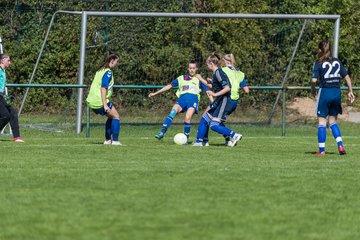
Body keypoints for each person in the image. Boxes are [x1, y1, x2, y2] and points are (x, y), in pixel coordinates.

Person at [148, 60, 212, 140]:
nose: (192, 70)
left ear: (196, 69)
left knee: (187, 118)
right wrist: (155, 93)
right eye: (190, 68)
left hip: (193, 100)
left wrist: (213, 102)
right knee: (173, 112)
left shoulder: (199, 80)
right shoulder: (181, 78)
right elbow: (169, 86)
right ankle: (162, 132)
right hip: (182, 100)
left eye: (193, 68)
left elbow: (208, 91)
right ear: (188, 69)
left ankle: (185, 138)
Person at [311, 39, 355, 155]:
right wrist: (351, 91)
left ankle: (321, 151)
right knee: (333, 122)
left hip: (325, 92)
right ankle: (340, 146)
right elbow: (347, 77)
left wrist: (312, 89)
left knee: (321, 121)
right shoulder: (337, 61)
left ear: (320, 50)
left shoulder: (318, 63)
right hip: (336, 93)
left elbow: (314, 80)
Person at [193, 52, 242, 147]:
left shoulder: (219, 72)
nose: (207, 66)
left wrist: (214, 93)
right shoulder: (216, 73)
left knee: (214, 125)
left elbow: (227, 88)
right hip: (220, 100)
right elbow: (218, 85)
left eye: (207, 64)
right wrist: (212, 82)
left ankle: (234, 135)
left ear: (211, 64)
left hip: (224, 100)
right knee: (204, 119)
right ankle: (200, 142)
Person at [86, 51, 122, 145]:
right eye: (117, 61)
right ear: (112, 60)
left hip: (92, 101)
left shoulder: (100, 70)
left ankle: (107, 140)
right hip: (100, 102)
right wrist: (105, 105)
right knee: (116, 117)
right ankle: (115, 141)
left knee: (111, 117)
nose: (117, 64)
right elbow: (103, 88)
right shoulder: (108, 72)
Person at [0, 53, 24, 142]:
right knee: (5, 115)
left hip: (1, 96)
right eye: (8, 60)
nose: (10, 63)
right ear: (2, 61)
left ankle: (17, 137)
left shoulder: (3, 71)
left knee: (13, 113)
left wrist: (5, 96)